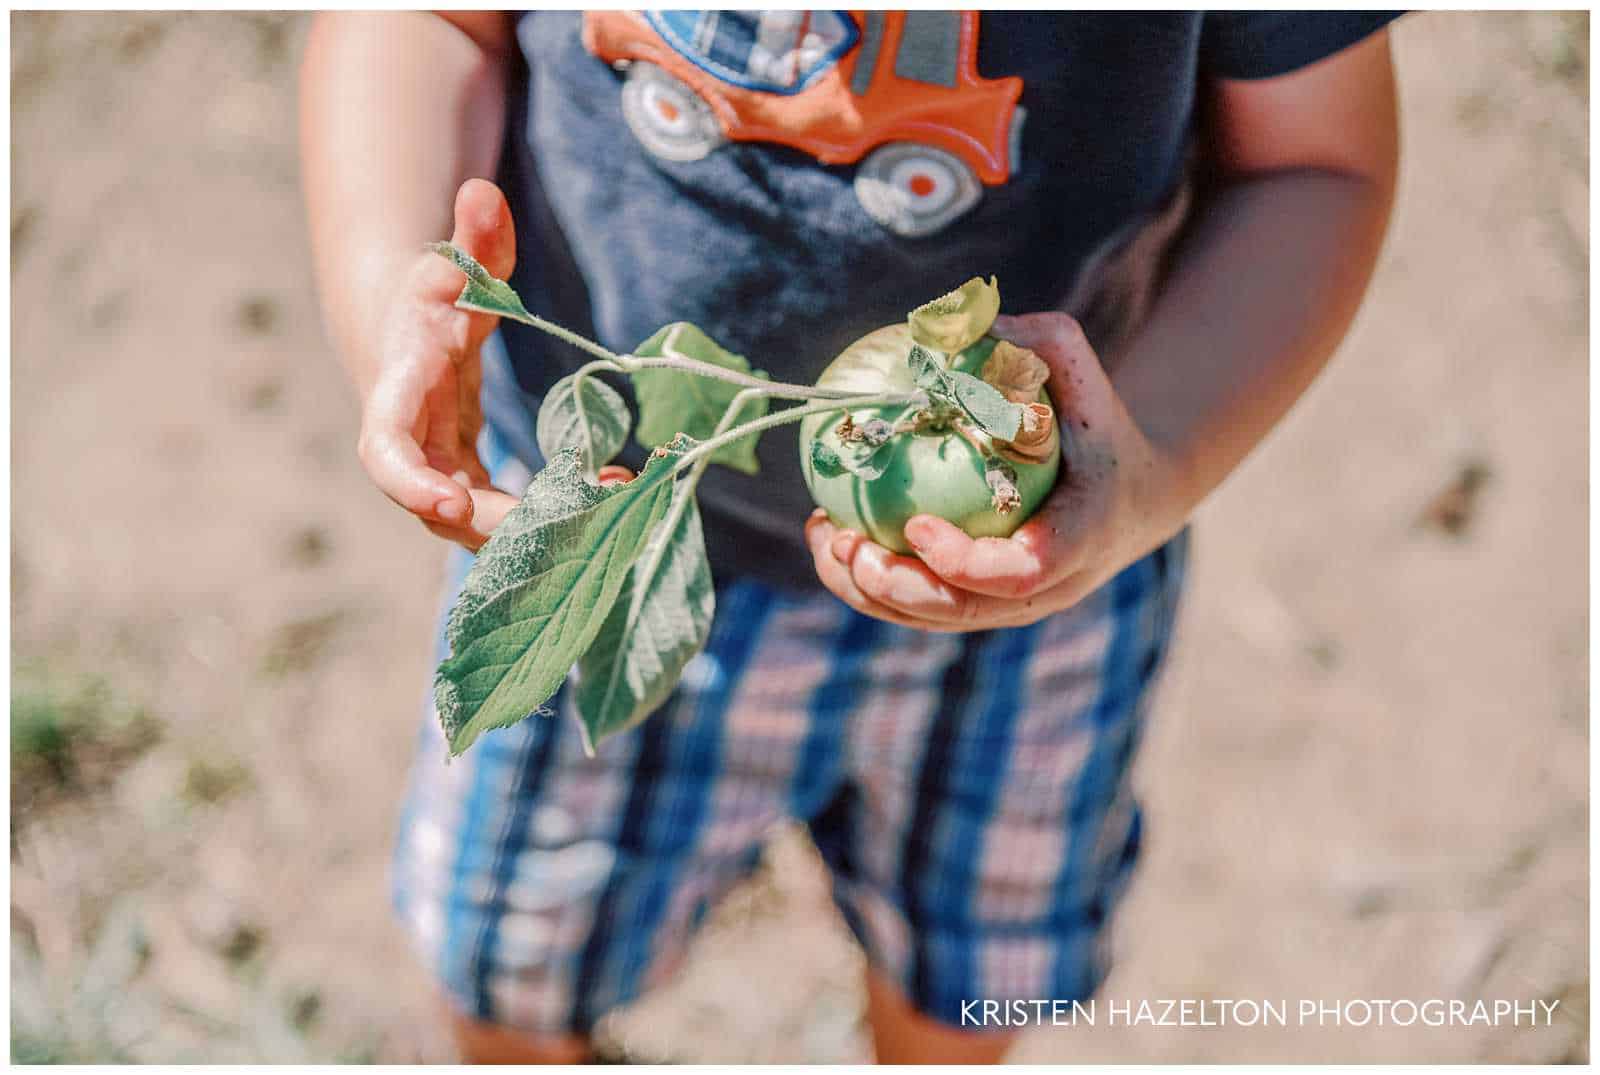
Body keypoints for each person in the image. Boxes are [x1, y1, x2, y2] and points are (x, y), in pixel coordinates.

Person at [301, 11, 1400, 1063]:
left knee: (972, 989)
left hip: (1047, 572)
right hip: (610, 540)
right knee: (511, 966)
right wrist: (388, 293)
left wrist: (1148, 475)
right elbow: (427, 20)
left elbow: (1312, 163)